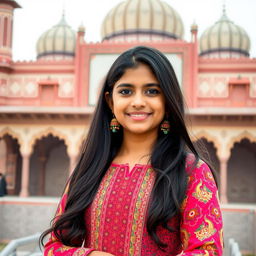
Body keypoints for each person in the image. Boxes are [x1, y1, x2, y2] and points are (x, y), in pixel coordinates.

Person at [41, 46, 223, 256]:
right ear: (110, 101)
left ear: (167, 101)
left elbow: (207, 251)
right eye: (126, 91)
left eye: (152, 91)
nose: (138, 102)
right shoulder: (91, 168)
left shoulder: (192, 171)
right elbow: (54, 247)